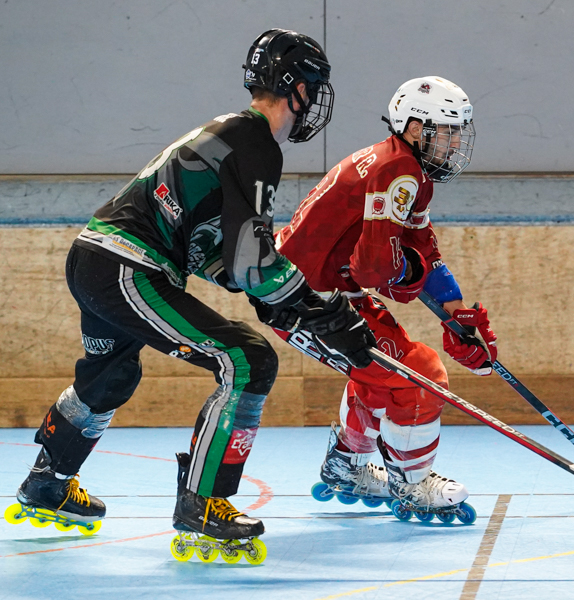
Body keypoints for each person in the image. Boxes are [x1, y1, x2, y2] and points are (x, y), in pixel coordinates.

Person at [7, 29, 375, 559]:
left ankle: (48, 480)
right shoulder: (256, 145)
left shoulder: (232, 133)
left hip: (96, 258)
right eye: (312, 88)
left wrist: (285, 300)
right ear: (294, 87)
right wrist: (319, 308)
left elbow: (219, 254)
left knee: (112, 373)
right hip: (129, 267)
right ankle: (205, 502)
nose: (314, 102)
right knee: (248, 360)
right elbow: (253, 264)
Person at [274, 76, 497, 521]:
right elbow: (374, 268)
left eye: (458, 132)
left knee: (380, 372)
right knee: (420, 373)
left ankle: (346, 464)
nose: (455, 143)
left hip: (321, 293)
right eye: (447, 131)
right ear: (415, 128)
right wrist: (405, 272)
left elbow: (423, 252)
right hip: (307, 300)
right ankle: (411, 482)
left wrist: (458, 317)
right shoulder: (398, 171)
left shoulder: (405, 169)